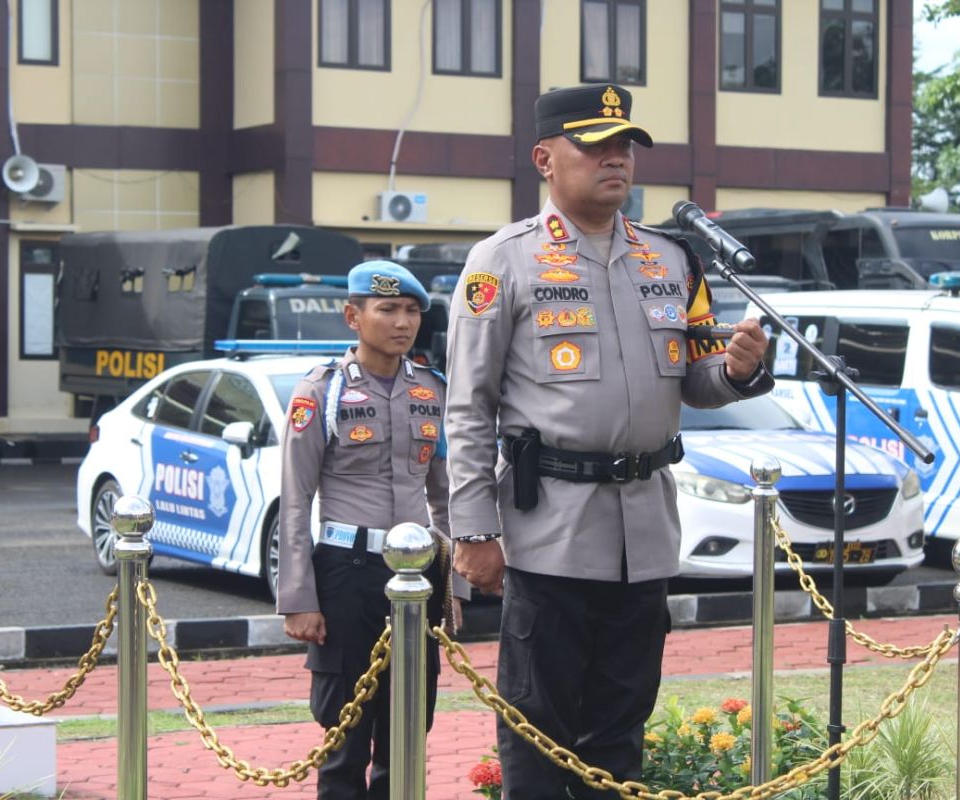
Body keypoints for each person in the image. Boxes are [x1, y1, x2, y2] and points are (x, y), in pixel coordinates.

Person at [444, 84, 774, 799]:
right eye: (595, 145)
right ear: (544, 158)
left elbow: (694, 381)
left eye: (625, 145)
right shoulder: (501, 261)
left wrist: (738, 371)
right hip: (550, 531)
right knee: (538, 731)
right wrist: (472, 528)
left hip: (645, 531)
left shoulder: (670, 260)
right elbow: (467, 405)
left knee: (621, 732)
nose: (616, 158)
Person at [276, 260, 460, 800]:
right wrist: (298, 597)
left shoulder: (431, 389)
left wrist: (454, 586)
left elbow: (445, 494)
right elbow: (295, 499)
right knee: (344, 729)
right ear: (353, 316)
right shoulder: (321, 391)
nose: (402, 323)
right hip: (346, 573)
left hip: (419, 573)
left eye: (411, 311)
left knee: (408, 725)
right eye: (387, 310)